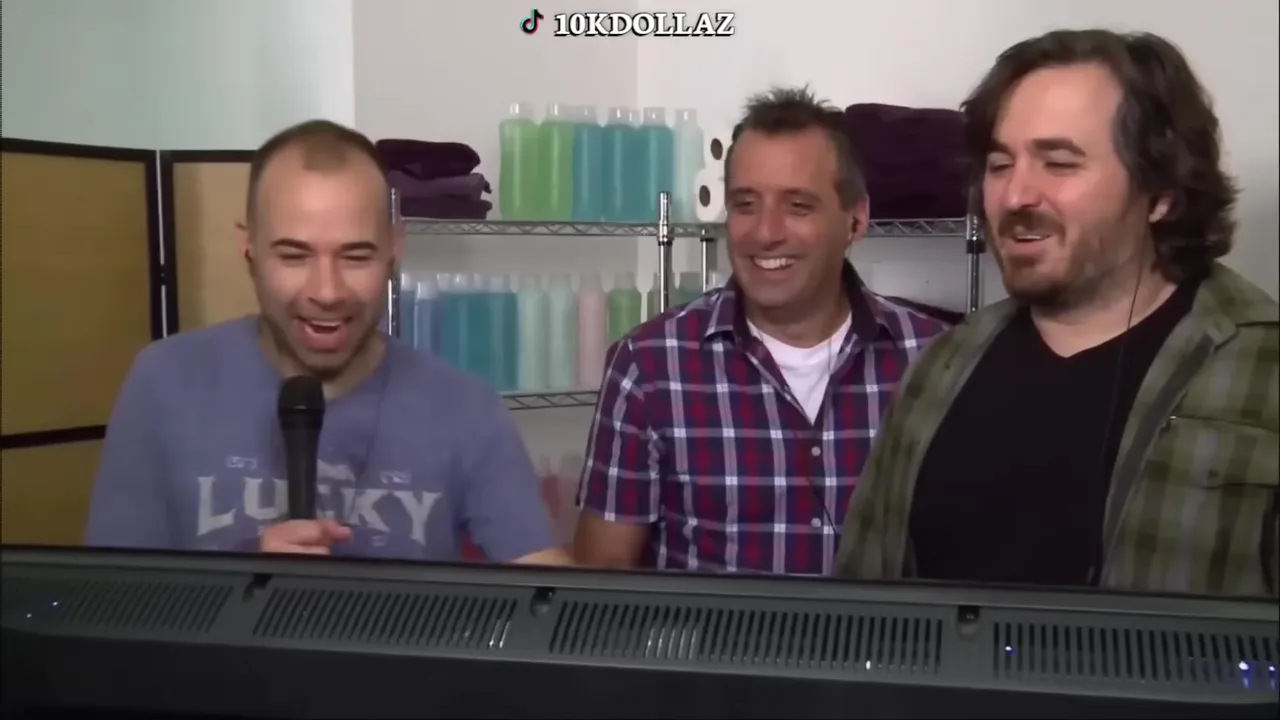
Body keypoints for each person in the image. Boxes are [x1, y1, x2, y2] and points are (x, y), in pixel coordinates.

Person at [834, 30, 1278, 597]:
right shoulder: (940, 368)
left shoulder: (1262, 369)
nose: (1015, 195)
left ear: (1161, 191)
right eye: (1000, 164)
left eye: (1059, 163)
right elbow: (860, 607)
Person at [85, 119, 571, 566]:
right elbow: (108, 603)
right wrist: (246, 582)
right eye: (294, 256)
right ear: (248, 249)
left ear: (394, 251)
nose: (327, 292)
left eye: (356, 256)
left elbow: (546, 587)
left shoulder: (464, 407)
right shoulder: (165, 383)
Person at [573, 87, 953, 575]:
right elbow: (600, 580)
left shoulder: (935, 360)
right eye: (746, 204)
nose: (765, 232)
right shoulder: (648, 367)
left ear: (855, 220)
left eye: (798, 206)